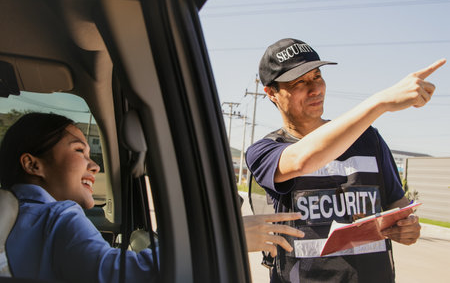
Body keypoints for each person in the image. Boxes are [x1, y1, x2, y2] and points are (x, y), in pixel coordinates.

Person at [0, 112, 304, 282]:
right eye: (79, 150)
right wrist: (224, 240)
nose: (94, 164)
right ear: (32, 164)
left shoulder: (17, 215)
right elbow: (114, 273)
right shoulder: (58, 215)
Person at [245, 38, 446, 282]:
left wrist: (407, 228)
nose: (315, 89)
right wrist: (380, 102)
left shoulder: (368, 138)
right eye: (300, 82)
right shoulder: (265, 151)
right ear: (271, 93)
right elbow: (301, 160)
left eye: (317, 76)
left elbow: (398, 206)